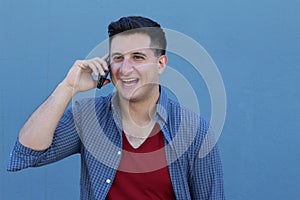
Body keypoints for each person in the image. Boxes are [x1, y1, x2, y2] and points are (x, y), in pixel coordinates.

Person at [7, 16, 224, 199]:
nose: (125, 69)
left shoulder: (194, 131)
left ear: (161, 64)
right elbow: (27, 154)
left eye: (137, 57)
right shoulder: (89, 117)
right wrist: (67, 87)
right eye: (118, 58)